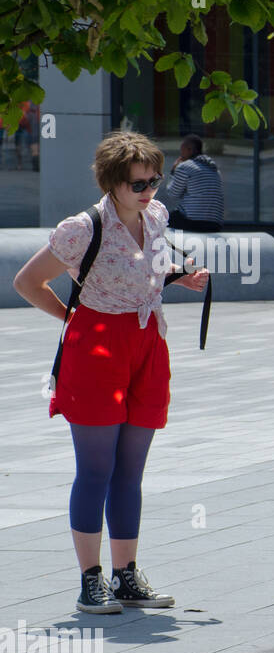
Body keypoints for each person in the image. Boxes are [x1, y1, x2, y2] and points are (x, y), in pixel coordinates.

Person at [12, 130, 209, 613]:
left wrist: (180, 277)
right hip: (96, 345)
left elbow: (148, 267)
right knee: (96, 470)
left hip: (147, 342)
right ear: (112, 182)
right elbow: (26, 282)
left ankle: (126, 576)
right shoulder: (81, 228)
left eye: (154, 181)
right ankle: (90, 580)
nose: (148, 191)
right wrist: (71, 319)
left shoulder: (156, 215)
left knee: (130, 471)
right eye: (137, 183)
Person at [165, 134, 225, 232]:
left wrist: (173, 171)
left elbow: (173, 194)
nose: (180, 154)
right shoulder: (214, 169)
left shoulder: (184, 167)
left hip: (192, 221)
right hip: (215, 223)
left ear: (190, 150)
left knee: (162, 220)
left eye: (182, 150)